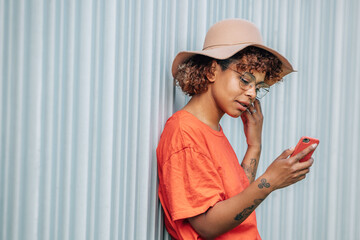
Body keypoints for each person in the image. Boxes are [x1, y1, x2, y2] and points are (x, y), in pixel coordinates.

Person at [156, 19, 317, 240]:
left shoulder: (210, 130)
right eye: (244, 80)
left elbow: (235, 200)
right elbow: (207, 225)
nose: (252, 93)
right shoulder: (185, 133)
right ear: (213, 71)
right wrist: (269, 181)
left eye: (258, 87)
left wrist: (254, 146)